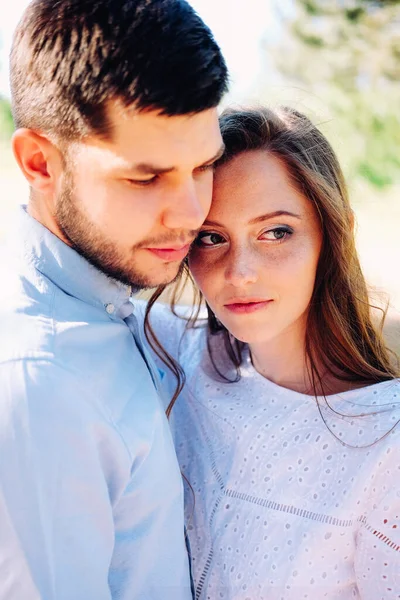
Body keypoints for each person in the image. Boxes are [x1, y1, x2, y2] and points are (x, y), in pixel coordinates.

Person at [0, 1, 228, 598]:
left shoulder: (123, 304)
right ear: (39, 162)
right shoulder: (40, 380)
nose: (190, 213)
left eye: (204, 166)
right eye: (145, 177)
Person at [143, 107, 400, 599]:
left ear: (334, 232)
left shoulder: (387, 445)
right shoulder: (176, 352)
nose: (239, 271)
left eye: (275, 232)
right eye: (211, 237)